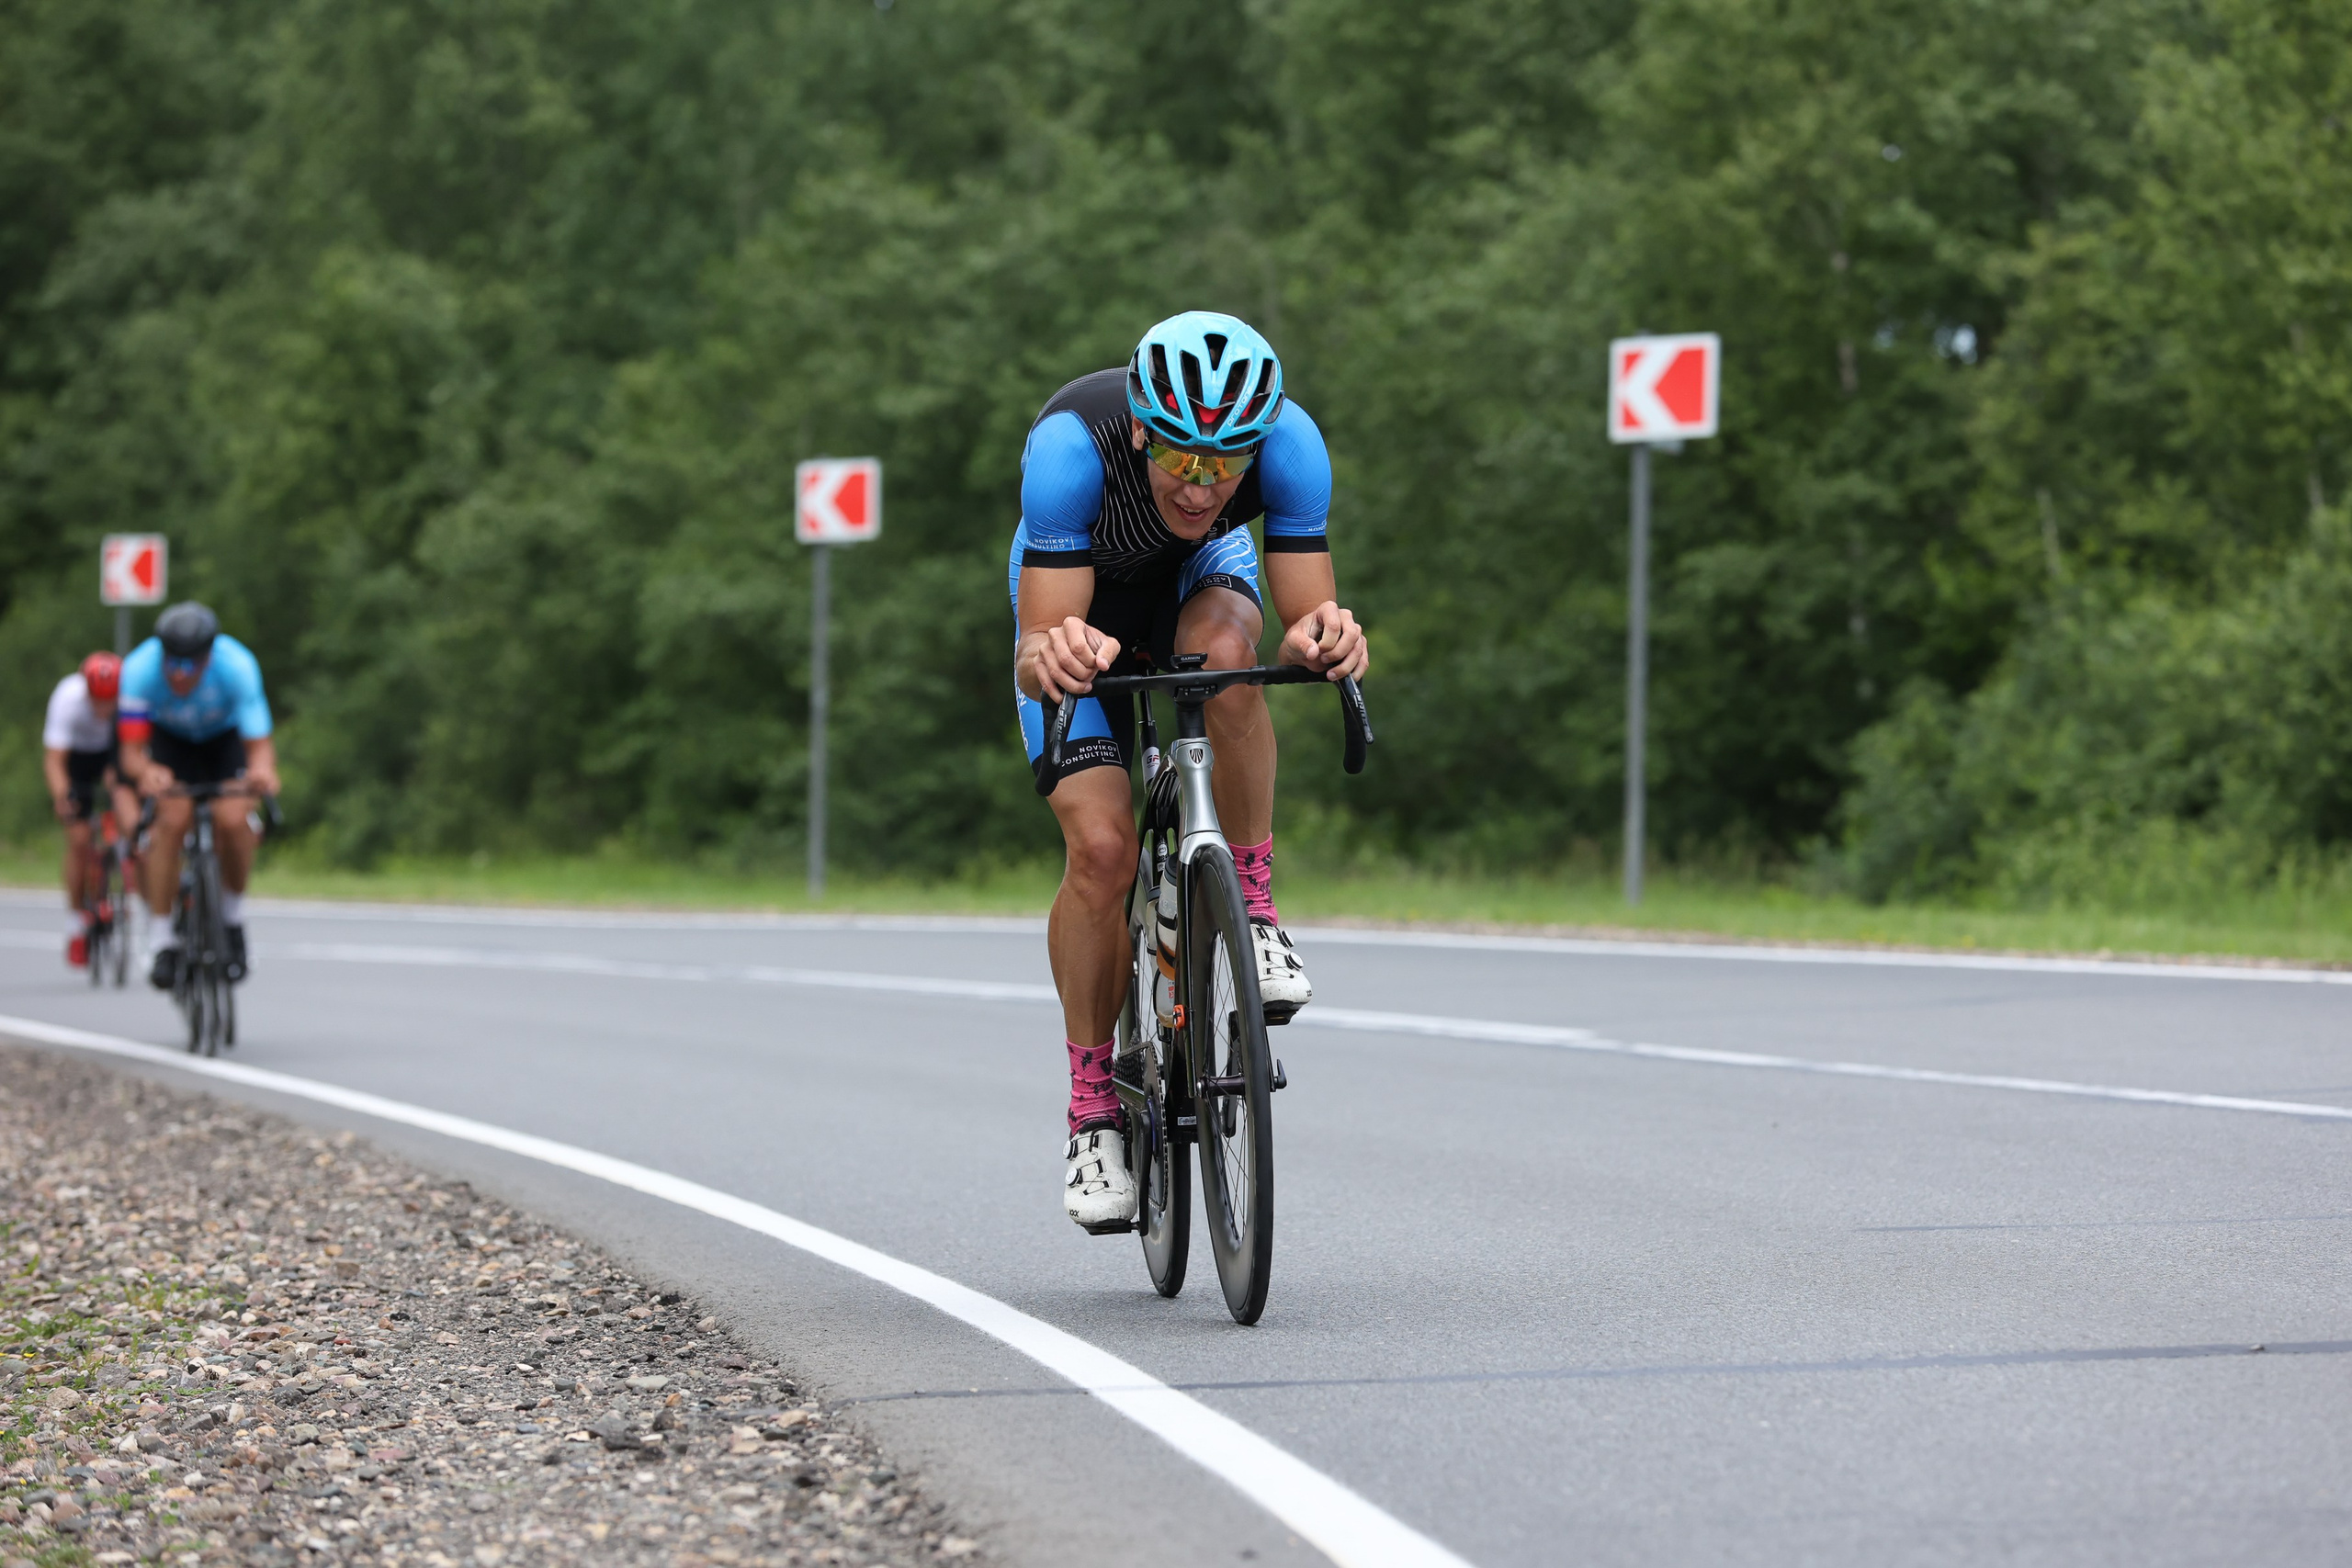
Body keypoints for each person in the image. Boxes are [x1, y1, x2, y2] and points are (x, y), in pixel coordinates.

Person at [1012, 311, 1370, 1230]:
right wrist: (1055, 653)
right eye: (1183, 458)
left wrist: (1325, 638)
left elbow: (1305, 617)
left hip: (1199, 581)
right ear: (1141, 431)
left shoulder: (1290, 447)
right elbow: (1034, 648)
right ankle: (1092, 1109)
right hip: (1085, 597)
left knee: (1228, 662)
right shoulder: (1070, 452)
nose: (1204, 486)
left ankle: (1253, 907)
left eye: (1228, 462)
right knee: (1102, 852)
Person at [117, 602, 278, 989]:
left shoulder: (237, 667)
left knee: (235, 821)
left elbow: (259, 746)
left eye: (190, 666)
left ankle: (232, 919)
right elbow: (131, 754)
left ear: (209, 658)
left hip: (223, 742)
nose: (179, 674)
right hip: (170, 744)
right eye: (171, 663)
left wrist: (262, 772)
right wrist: (147, 771)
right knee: (170, 822)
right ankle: (162, 940)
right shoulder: (139, 671)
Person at [41, 651, 137, 965]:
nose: (103, 708)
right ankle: (76, 923)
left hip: (112, 753)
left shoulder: (130, 698)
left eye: (110, 701)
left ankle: (124, 857)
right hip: (77, 759)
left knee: (125, 798)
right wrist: (62, 795)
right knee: (79, 839)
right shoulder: (67, 698)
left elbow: (135, 750)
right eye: (97, 700)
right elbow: (55, 760)